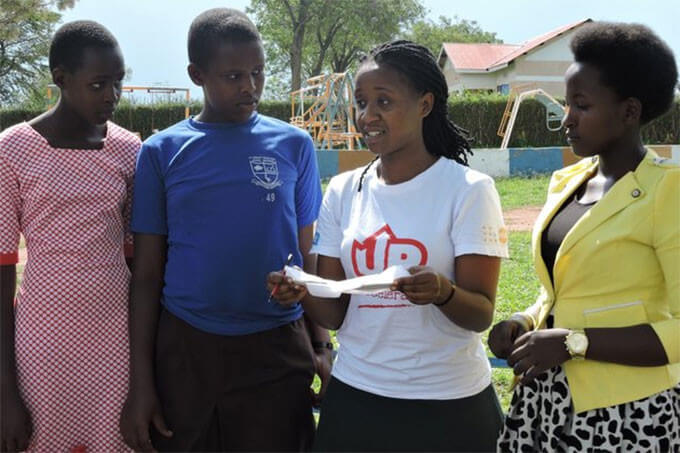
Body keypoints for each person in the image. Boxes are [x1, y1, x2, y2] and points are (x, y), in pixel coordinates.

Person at [268, 40, 509, 452]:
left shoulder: (468, 190)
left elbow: (481, 314)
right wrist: (302, 292)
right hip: (358, 397)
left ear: (425, 104)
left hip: (449, 404)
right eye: (361, 103)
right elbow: (336, 312)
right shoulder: (344, 191)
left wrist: (443, 292)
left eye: (384, 101)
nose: (367, 116)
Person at [119, 8, 330, 452]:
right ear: (197, 74)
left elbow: (306, 255)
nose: (249, 87)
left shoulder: (294, 145)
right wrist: (142, 385)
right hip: (188, 349)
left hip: (276, 347)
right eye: (233, 75)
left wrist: (321, 345)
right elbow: (147, 273)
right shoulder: (161, 152)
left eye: (257, 72)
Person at [489, 22, 680, 452]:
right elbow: (561, 293)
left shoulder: (668, 191)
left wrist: (577, 343)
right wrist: (524, 321)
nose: (567, 118)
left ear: (629, 111)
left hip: (626, 413)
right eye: (566, 103)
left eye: (582, 105)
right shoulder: (567, 183)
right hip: (543, 399)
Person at [0, 21, 138, 452]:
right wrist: (5, 390)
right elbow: (3, 269)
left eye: (117, 83)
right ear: (60, 78)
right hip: (44, 337)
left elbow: (138, 257)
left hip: (116, 335)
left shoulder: (129, 150)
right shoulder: (12, 149)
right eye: (98, 84)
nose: (111, 97)